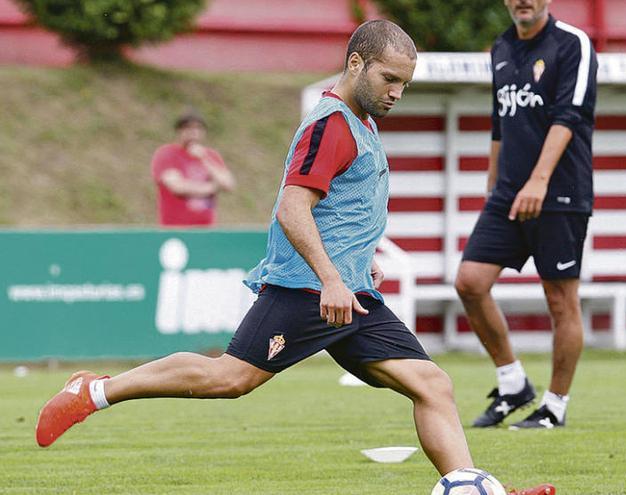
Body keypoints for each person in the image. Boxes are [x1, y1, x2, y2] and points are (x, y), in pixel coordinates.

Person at [34, 19, 551, 494]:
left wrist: (357, 259)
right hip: (308, 290)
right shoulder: (331, 124)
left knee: (432, 384)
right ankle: (95, 391)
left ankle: (471, 490)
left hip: (352, 296)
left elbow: (340, 209)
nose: (397, 93)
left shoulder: (363, 120)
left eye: (404, 84)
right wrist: (330, 277)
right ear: (356, 63)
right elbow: (291, 206)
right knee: (230, 378)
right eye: (390, 79)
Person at [455, 0, 598, 430]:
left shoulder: (572, 44)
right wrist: (492, 184)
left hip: (560, 194)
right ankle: (513, 383)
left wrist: (539, 181)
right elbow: (500, 123)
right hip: (508, 195)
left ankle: (554, 405)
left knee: (560, 300)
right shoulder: (499, 48)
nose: (523, 0)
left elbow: (568, 116)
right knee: (470, 282)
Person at [151, 111, 236, 226]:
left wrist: (204, 159)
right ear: (179, 131)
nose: (193, 133)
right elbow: (178, 187)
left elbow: (228, 184)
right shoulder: (167, 153)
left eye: (198, 128)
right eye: (188, 128)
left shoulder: (210, 156)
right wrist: (213, 188)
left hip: (206, 228)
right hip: (176, 229)